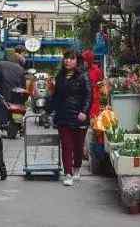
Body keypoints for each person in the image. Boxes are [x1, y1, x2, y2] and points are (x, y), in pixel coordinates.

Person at [49, 50, 91, 187]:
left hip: (79, 117)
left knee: (78, 147)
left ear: (76, 61)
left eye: (71, 59)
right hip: (63, 116)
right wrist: (49, 110)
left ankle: (77, 167)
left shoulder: (83, 76)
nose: (67, 61)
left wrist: (84, 112)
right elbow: (56, 96)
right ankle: (68, 173)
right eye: (66, 58)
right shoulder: (60, 76)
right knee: (67, 146)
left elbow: (88, 96)